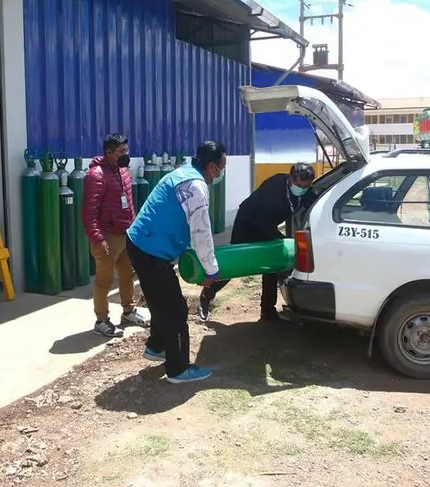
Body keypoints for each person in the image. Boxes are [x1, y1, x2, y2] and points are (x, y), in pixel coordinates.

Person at [125, 140, 225, 384]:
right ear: (211, 166)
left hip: (139, 243)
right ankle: (178, 369)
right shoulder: (196, 187)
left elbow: (186, 224)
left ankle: (157, 346)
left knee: (161, 301)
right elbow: (201, 232)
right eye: (221, 167)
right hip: (151, 251)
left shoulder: (181, 174)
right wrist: (211, 270)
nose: (221, 172)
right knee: (176, 308)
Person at [197, 162, 316, 323]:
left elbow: (314, 204)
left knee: (271, 265)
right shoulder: (274, 187)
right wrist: (281, 240)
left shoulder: (306, 190)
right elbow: (261, 221)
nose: (303, 189)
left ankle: (267, 311)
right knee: (238, 263)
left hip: (267, 223)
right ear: (291, 180)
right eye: (301, 185)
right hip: (248, 222)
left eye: (307, 186)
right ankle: (207, 294)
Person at [82, 133, 150, 338]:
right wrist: (98, 238)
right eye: (121, 151)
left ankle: (128, 311)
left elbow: (129, 204)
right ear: (109, 152)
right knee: (104, 280)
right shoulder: (96, 175)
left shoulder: (123, 171)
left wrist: (135, 228)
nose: (126, 154)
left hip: (125, 233)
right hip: (107, 236)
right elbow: (89, 211)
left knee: (127, 275)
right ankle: (101, 320)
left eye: (126, 150)